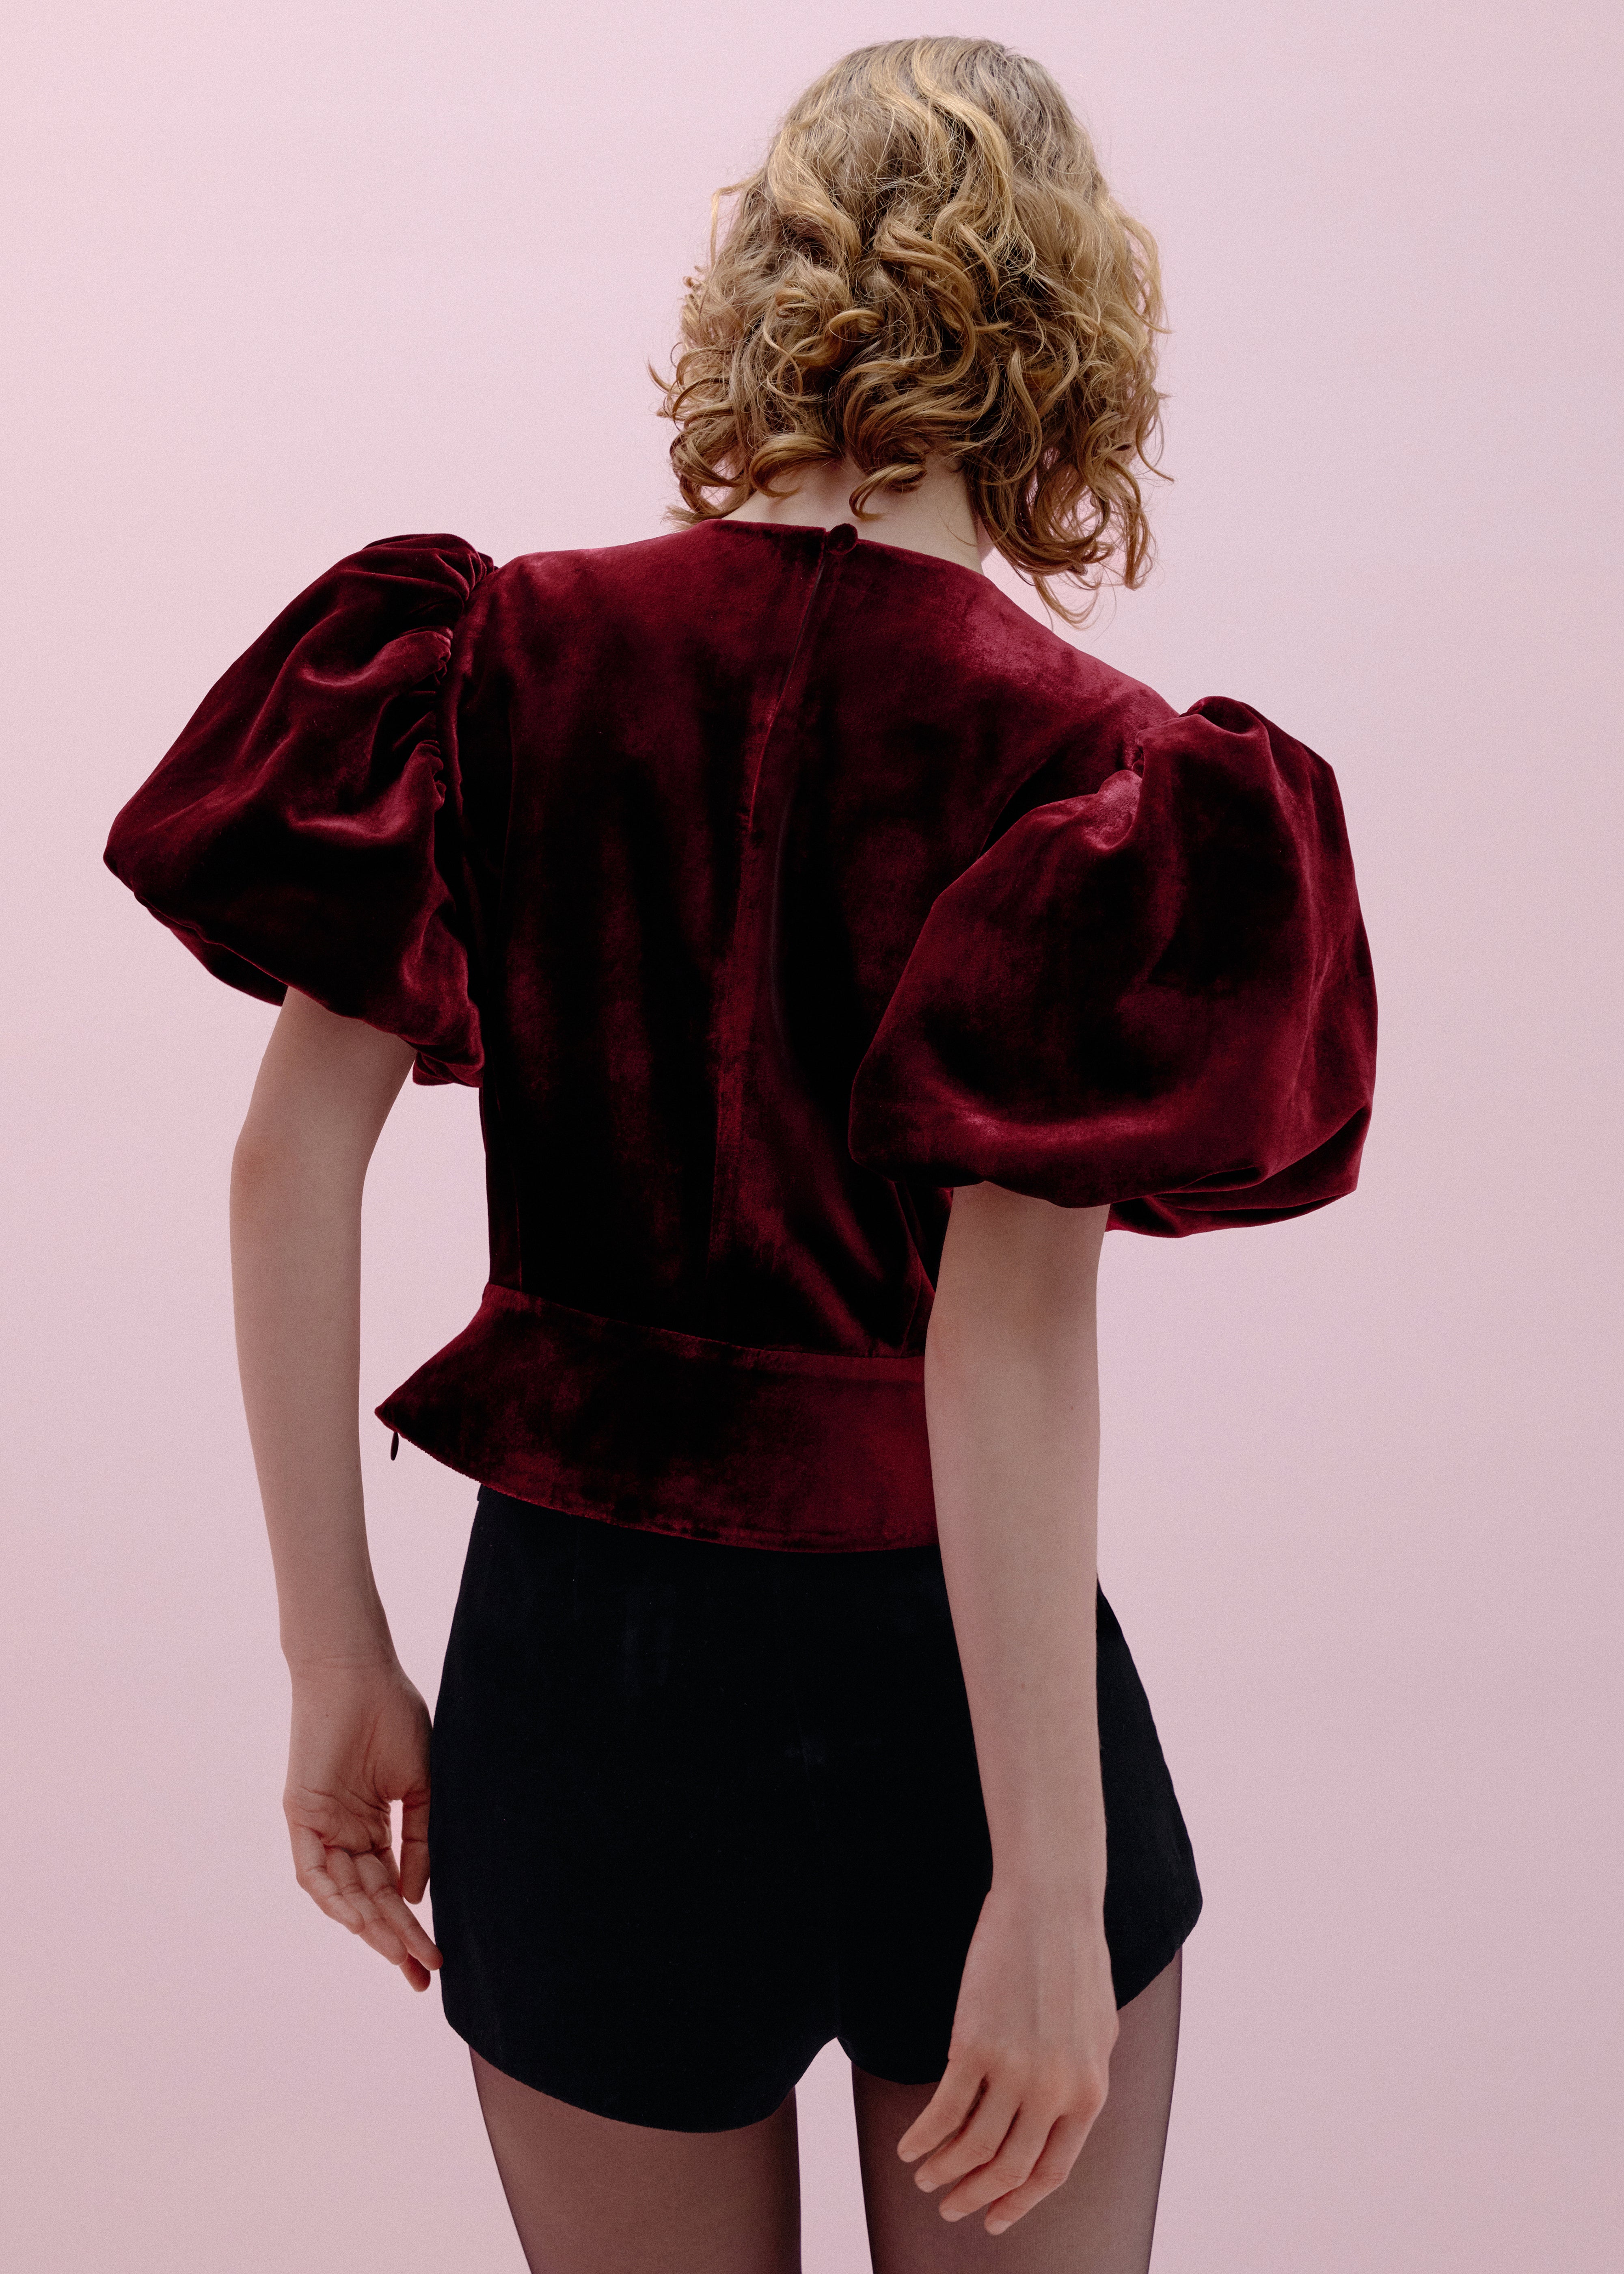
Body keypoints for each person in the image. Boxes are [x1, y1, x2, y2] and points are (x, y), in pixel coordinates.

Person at [104, 35, 1376, 2274]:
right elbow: (1006, 1340)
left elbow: (290, 1163)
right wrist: (1046, 1883)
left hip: (580, 1685)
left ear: (763, 290)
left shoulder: (499, 660)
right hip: (957, 1692)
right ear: (1067, 332)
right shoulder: (1089, 772)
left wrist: (336, 1655)